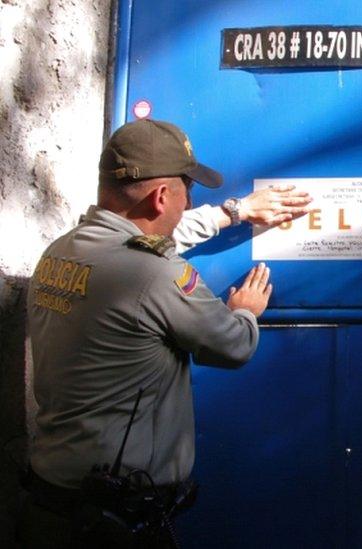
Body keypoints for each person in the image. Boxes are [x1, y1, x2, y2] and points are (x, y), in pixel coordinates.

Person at [19, 119, 309, 547]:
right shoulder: (155, 275)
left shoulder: (64, 248)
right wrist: (244, 313)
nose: (190, 200)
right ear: (161, 196)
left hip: (50, 499)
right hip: (111, 523)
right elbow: (232, 346)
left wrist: (234, 212)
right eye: (187, 190)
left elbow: (145, 243)